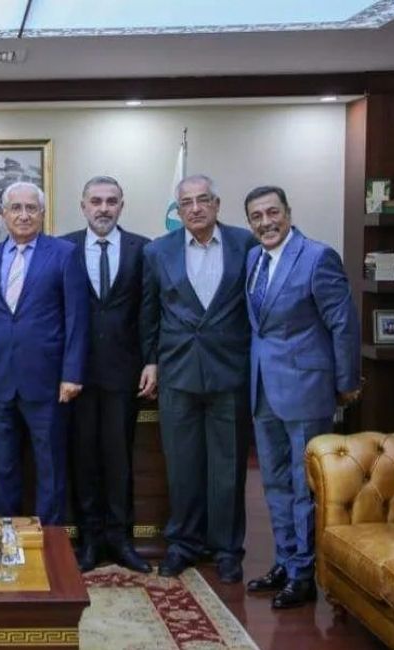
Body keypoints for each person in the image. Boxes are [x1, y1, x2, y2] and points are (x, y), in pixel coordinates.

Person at [241, 186, 360, 609]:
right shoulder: (254, 259)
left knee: (302, 484)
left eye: (272, 212)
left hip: (307, 390)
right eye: (256, 216)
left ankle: (304, 574)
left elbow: (343, 323)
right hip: (264, 390)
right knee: (273, 483)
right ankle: (285, 560)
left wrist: (347, 383)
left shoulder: (316, 256)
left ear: (288, 213)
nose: (265, 222)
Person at [140, 174, 257, 583]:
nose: (195, 208)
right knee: (183, 465)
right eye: (186, 202)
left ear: (217, 203)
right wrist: (151, 361)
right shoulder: (158, 251)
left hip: (230, 372)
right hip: (177, 373)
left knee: (228, 467)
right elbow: (149, 314)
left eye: (203, 200)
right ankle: (183, 544)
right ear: (178, 209)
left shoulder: (247, 244)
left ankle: (227, 549)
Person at [0, 182, 89, 525]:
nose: (23, 215)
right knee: (2, 466)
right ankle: (7, 537)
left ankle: (50, 543)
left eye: (31, 208)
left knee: (50, 465)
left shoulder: (65, 253)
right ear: (3, 213)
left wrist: (72, 374)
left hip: (48, 382)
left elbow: (76, 319)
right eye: (16, 208)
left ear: (42, 213)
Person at [62, 176, 151, 573]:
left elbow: (149, 312)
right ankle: (89, 539)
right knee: (83, 459)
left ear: (121, 205)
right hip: (75, 374)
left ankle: (121, 538)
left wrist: (152, 361)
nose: (103, 208)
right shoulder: (62, 247)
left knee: (118, 459)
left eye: (110, 201)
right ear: (82, 205)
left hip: (123, 373)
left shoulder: (143, 249)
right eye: (95, 201)